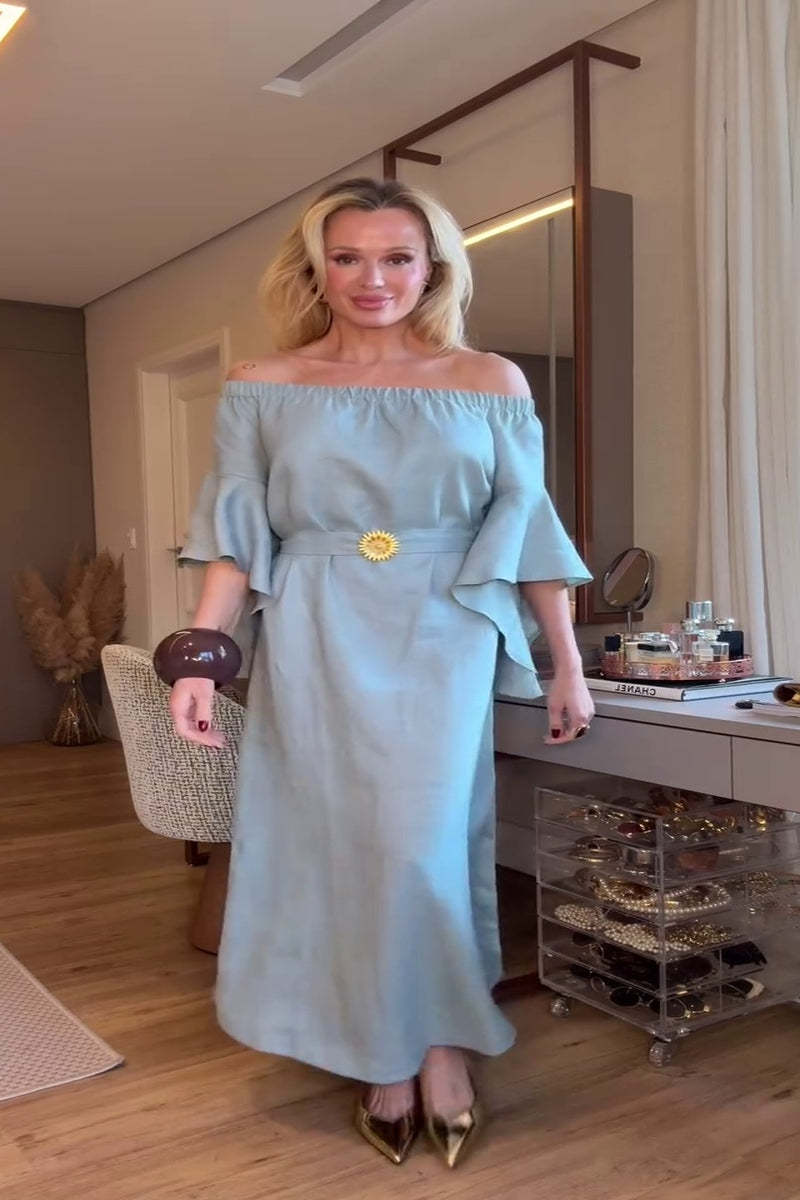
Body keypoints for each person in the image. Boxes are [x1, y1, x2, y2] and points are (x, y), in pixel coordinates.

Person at [169, 176, 594, 1169]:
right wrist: (199, 659)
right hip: (314, 631)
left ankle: (439, 1043)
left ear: (432, 266)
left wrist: (565, 664)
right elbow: (235, 536)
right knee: (335, 848)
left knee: (421, 845)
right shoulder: (262, 382)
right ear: (316, 269)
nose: (373, 279)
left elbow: (529, 532)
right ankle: (379, 1052)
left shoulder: (488, 380)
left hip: (442, 632)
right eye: (348, 257)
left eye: (397, 257)